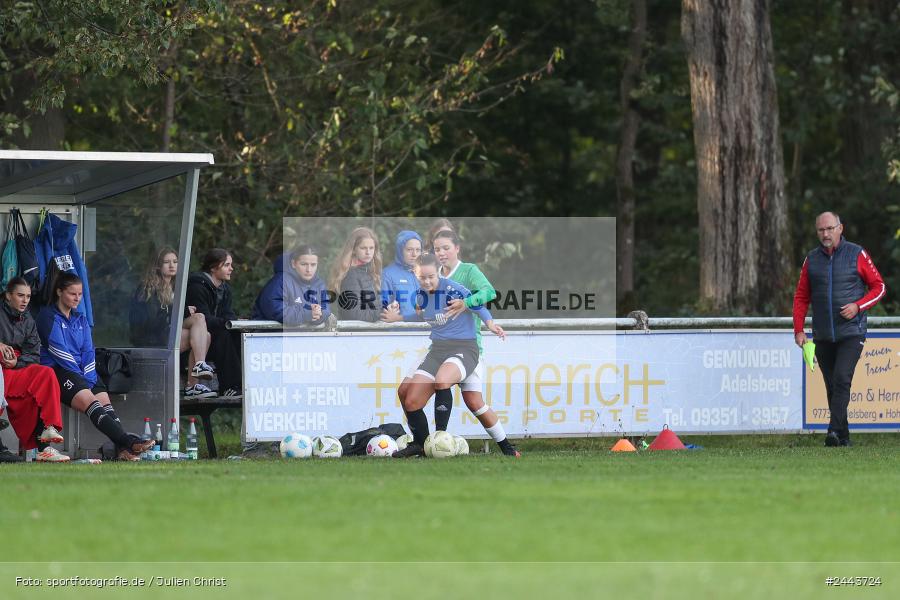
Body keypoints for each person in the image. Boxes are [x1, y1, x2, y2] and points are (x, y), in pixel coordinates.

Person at [398, 227, 519, 456]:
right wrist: (402, 313)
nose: (441, 252)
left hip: (467, 346)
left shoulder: (468, 271)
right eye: (437, 249)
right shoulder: (429, 275)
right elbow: (422, 309)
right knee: (406, 392)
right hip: (439, 346)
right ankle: (422, 443)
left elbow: (488, 293)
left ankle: (506, 447)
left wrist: (470, 306)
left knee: (474, 402)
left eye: (446, 248)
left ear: (457, 249)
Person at [793, 211, 886, 447]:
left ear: (840, 228)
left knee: (842, 378)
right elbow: (801, 297)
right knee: (832, 385)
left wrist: (858, 306)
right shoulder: (811, 259)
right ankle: (842, 437)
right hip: (822, 334)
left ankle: (833, 430)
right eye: (821, 230)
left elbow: (879, 287)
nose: (825, 234)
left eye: (830, 228)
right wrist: (799, 329)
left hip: (852, 332)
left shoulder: (857, 253)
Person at [37, 273, 153, 461]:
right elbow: (58, 351)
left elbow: (89, 350)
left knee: (107, 407)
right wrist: (80, 377)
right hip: (59, 371)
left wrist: (89, 375)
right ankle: (129, 442)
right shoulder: (47, 316)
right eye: (72, 293)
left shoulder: (81, 319)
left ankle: (122, 450)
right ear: (59, 292)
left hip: (84, 372)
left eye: (80, 294)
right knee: (93, 403)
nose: (77, 298)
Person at [130, 247, 215, 399]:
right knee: (202, 330)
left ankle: (196, 375)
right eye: (166, 262)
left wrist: (182, 311)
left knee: (202, 325)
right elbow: (152, 320)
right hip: (152, 338)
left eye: (175, 262)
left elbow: (174, 318)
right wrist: (180, 310)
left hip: (168, 331)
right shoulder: (148, 288)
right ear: (158, 266)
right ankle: (193, 384)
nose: (172, 266)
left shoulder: (177, 287)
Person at [0, 277, 69, 462]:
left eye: (28, 296)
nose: (25, 300)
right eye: (20, 295)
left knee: (45, 373)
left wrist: (17, 362)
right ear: (8, 296)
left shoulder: (28, 319)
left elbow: (34, 354)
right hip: (1, 368)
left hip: (15, 368)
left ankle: (48, 434)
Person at [186, 248, 242, 398]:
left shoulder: (225, 289)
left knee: (239, 335)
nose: (231, 268)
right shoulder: (197, 287)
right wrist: (226, 322)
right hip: (198, 341)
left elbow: (227, 313)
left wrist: (235, 323)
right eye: (226, 265)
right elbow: (204, 318)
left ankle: (241, 385)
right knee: (223, 336)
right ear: (213, 267)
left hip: (215, 335)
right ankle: (229, 387)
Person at [251, 244, 330, 326]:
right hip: (270, 336)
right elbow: (274, 310)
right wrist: (307, 314)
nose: (309, 270)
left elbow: (326, 309)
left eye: (313, 265)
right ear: (293, 264)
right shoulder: (280, 281)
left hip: (303, 336)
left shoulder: (319, 283)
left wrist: (318, 314)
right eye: (303, 264)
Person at [329, 227, 382, 322]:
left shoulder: (369, 272)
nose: (368, 252)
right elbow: (353, 316)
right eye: (363, 248)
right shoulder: (350, 275)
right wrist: (382, 313)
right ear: (353, 249)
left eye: (371, 248)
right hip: (355, 335)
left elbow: (373, 306)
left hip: (369, 333)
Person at [380, 231, 423, 322]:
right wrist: (389, 308)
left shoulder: (426, 274)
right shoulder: (387, 274)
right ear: (400, 250)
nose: (414, 254)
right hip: (399, 333)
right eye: (409, 250)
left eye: (418, 250)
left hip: (423, 332)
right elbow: (382, 309)